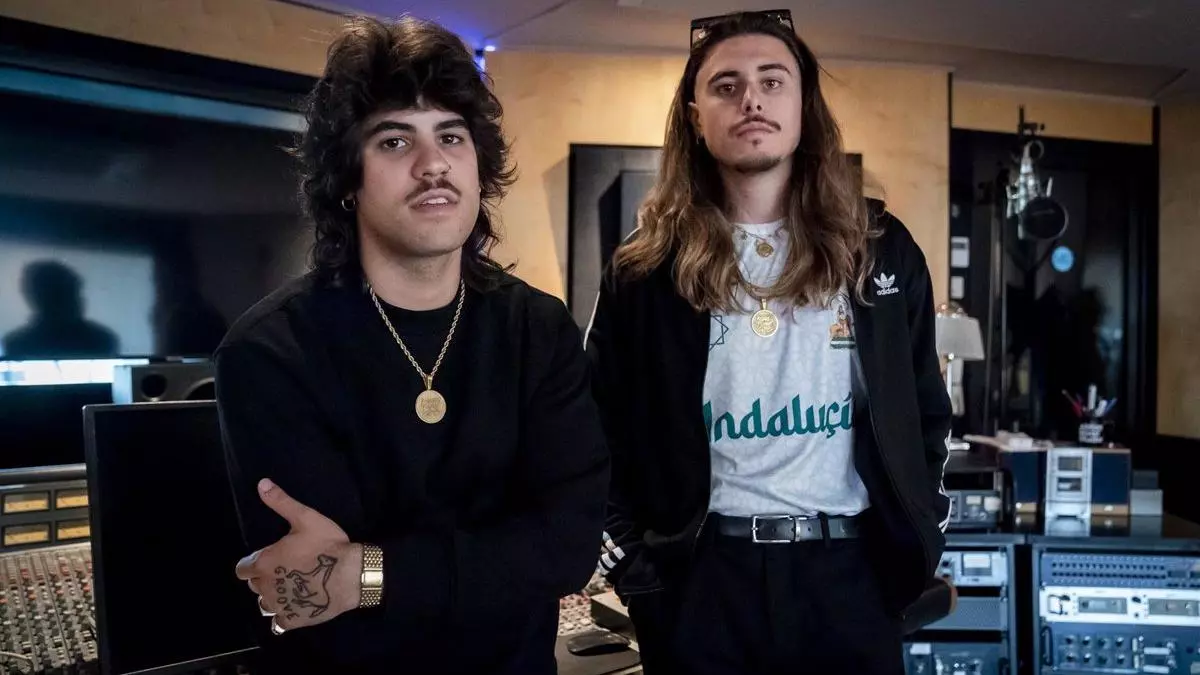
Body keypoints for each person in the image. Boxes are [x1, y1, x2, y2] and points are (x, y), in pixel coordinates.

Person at [216, 16, 609, 675]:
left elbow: (567, 548)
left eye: (451, 136)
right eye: (395, 140)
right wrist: (495, 560)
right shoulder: (270, 353)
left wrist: (370, 572)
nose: (433, 165)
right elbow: (313, 584)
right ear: (347, 179)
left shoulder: (539, 330)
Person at [586, 10, 951, 675]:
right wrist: (635, 572)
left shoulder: (881, 248)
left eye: (772, 81)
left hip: (849, 579)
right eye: (726, 86)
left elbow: (927, 410)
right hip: (701, 585)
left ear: (804, 105)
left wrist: (921, 534)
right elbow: (594, 431)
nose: (750, 99)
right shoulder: (643, 270)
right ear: (695, 117)